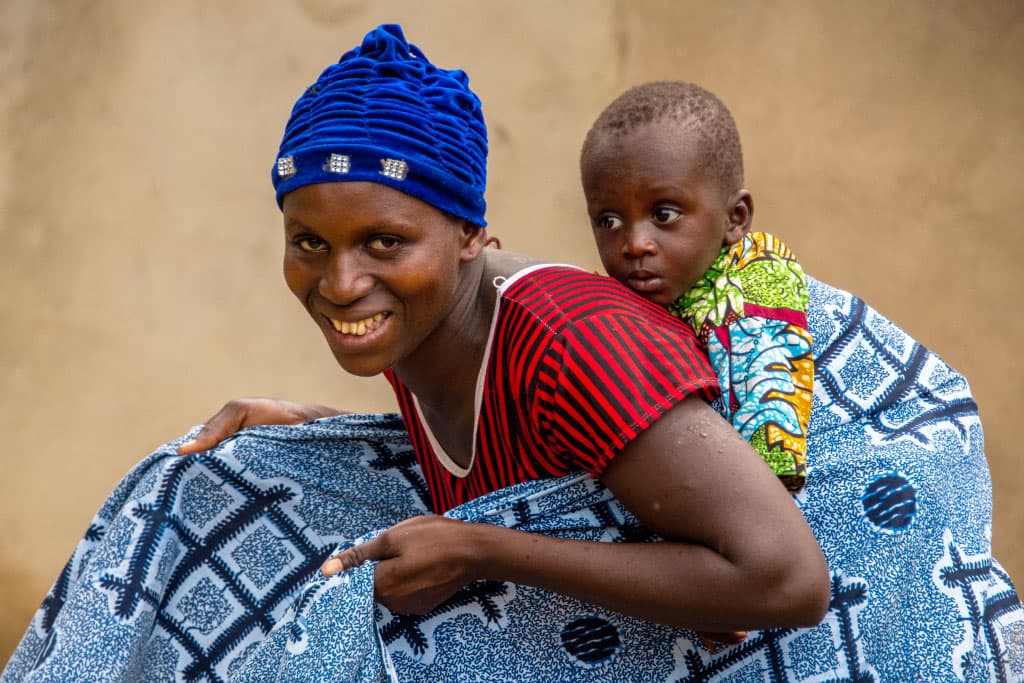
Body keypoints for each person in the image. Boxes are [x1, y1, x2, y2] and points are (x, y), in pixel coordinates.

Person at [6, 24, 1021, 683]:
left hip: (851, 607)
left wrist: (481, 548)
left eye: (383, 242)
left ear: (469, 236)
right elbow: (538, 469)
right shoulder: (422, 333)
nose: (339, 281)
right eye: (309, 240)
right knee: (199, 494)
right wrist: (324, 440)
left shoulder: (572, 341)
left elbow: (786, 578)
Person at [581, 81, 813, 494]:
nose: (635, 244)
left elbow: (768, 473)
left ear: (735, 218)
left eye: (664, 214)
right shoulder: (654, 293)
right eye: (609, 221)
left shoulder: (752, 294)